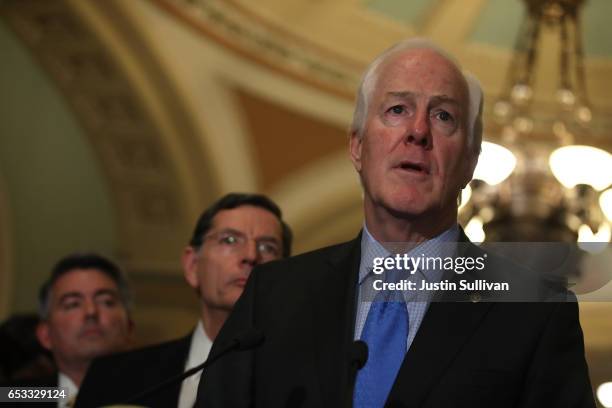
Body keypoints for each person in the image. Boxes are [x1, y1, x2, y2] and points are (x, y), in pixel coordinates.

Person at [196, 39, 595, 408]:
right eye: (397, 109)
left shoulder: (535, 311)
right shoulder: (272, 297)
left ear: (471, 162)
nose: (418, 132)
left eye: (443, 116)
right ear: (357, 146)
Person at [75, 193, 292, 408]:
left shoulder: (309, 376)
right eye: (230, 240)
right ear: (192, 266)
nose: (251, 255)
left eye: (268, 247)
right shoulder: (112, 377)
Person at [8, 254, 134, 407]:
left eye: (106, 302)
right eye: (73, 304)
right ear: (45, 335)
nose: (91, 312)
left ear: (129, 327)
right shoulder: (15, 396)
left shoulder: (164, 395)